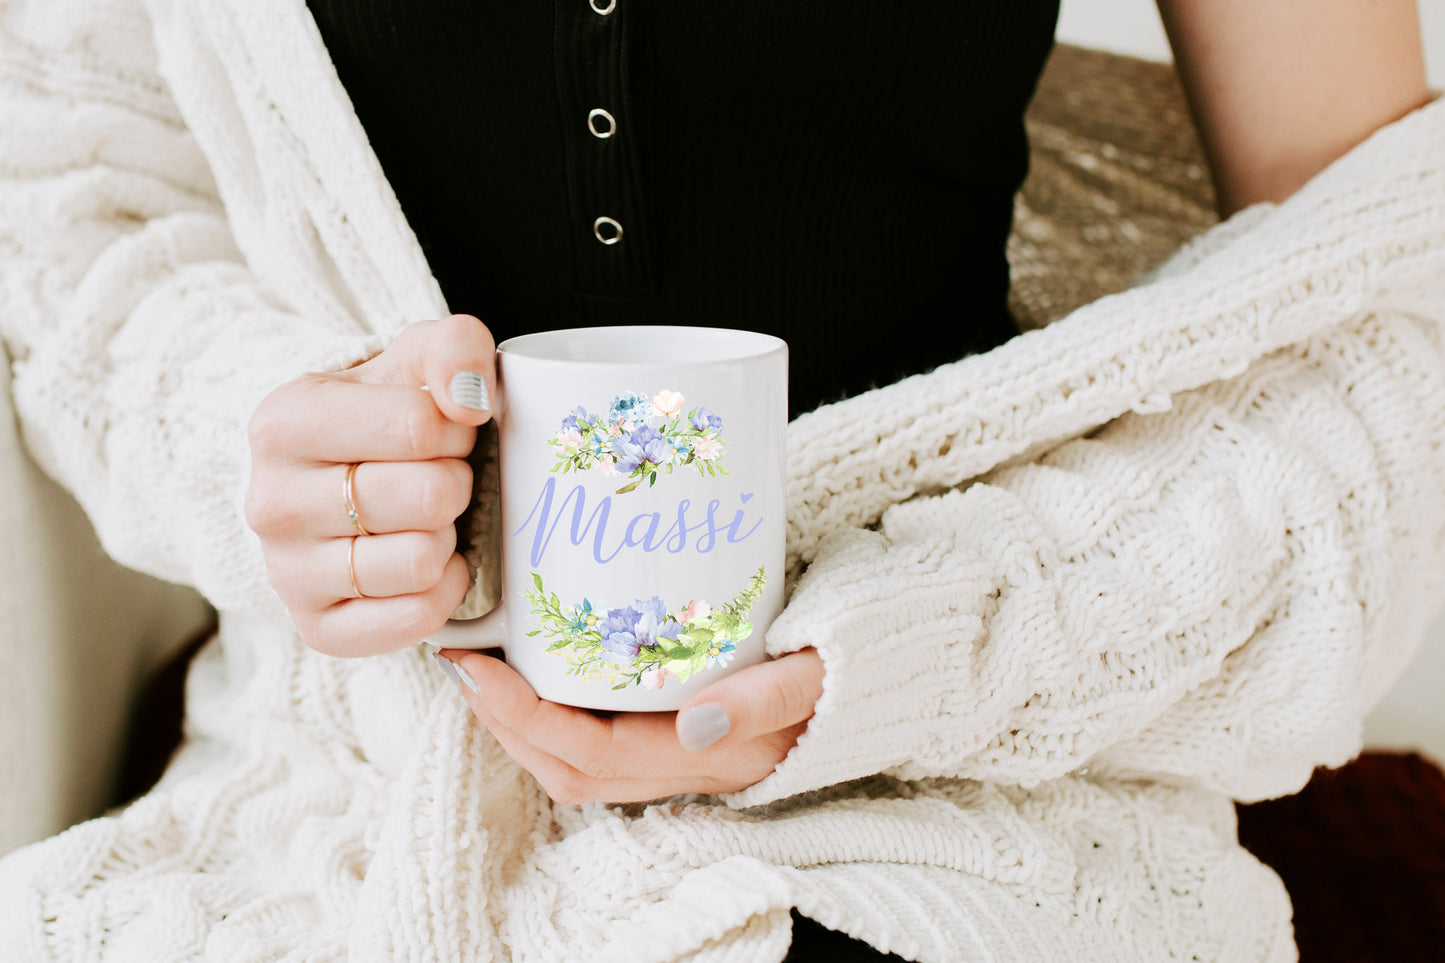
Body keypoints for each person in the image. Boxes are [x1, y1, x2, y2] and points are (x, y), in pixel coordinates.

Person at [0, 0, 1440, 959]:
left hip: (979, 795)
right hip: (338, 799)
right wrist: (275, 440)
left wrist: (930, 653)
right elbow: (76, 214)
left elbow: (1390, 331)